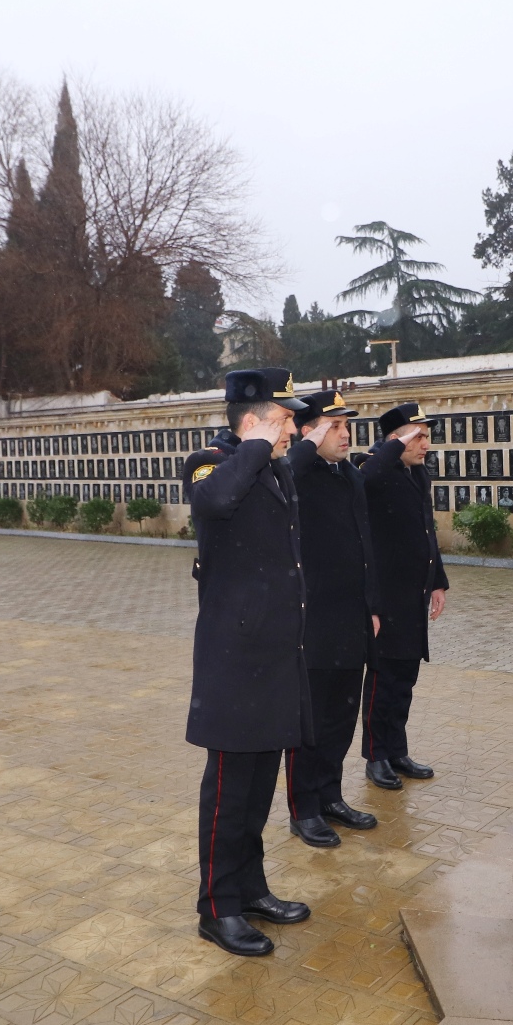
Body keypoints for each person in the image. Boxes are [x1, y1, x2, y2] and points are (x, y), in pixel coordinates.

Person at [187, 368, 312, 957]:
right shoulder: (209, 462)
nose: (293, 430)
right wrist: (257, 445)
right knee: (229, 792)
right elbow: (215, 501)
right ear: (255, 421)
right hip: (235, 659)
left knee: (261, 784)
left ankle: (251, 888)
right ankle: (217, 908)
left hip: (275, 654)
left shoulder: (277, 467)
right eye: (285, 419)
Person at [283, 390, 382, 849]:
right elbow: (287, 469)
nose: (346, 434)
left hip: (350, 617)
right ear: (309, 432)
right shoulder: (295, 474)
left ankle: (330, 796)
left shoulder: (349, 476)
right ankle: (303, 809)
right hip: (313, 621)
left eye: (347, 426)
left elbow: (366, 545)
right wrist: (306, 445)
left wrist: (372, 605)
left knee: (342, 716)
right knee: (311, 722)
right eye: (335, 426)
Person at [358, 401, 449, 790]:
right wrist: (392, 447)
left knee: (405, 678)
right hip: (385, 597)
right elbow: (366, 479)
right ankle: (376, 755)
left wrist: (438, 581)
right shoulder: (374, 468)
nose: (426, 444)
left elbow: (427, 531)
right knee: (383, 679)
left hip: (413, 595)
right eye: (418, 437)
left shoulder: (418, 474)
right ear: (395, 439)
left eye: (427, 436)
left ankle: (397, 750)